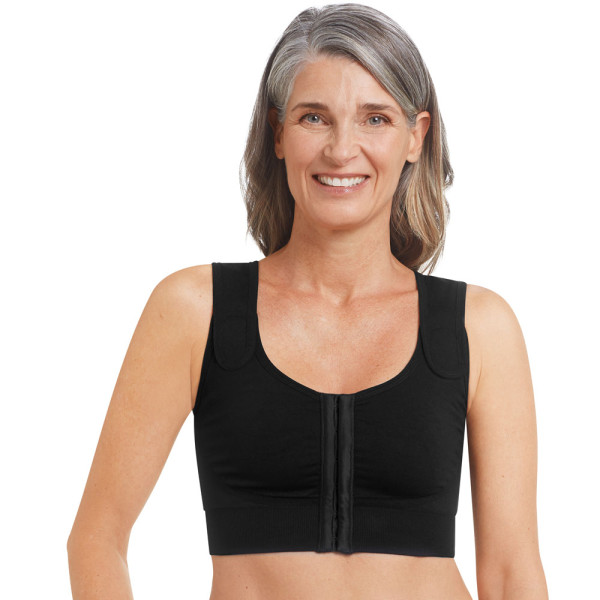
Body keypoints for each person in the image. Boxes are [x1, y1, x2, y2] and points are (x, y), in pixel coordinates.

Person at [67, 3, 549, 599]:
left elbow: (510, 572)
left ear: (415, 137)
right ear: (277, 132)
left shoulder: (480, 327)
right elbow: (97, 538)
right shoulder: (196, 311)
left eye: (375, 118)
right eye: (314, 117)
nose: (342, 150)